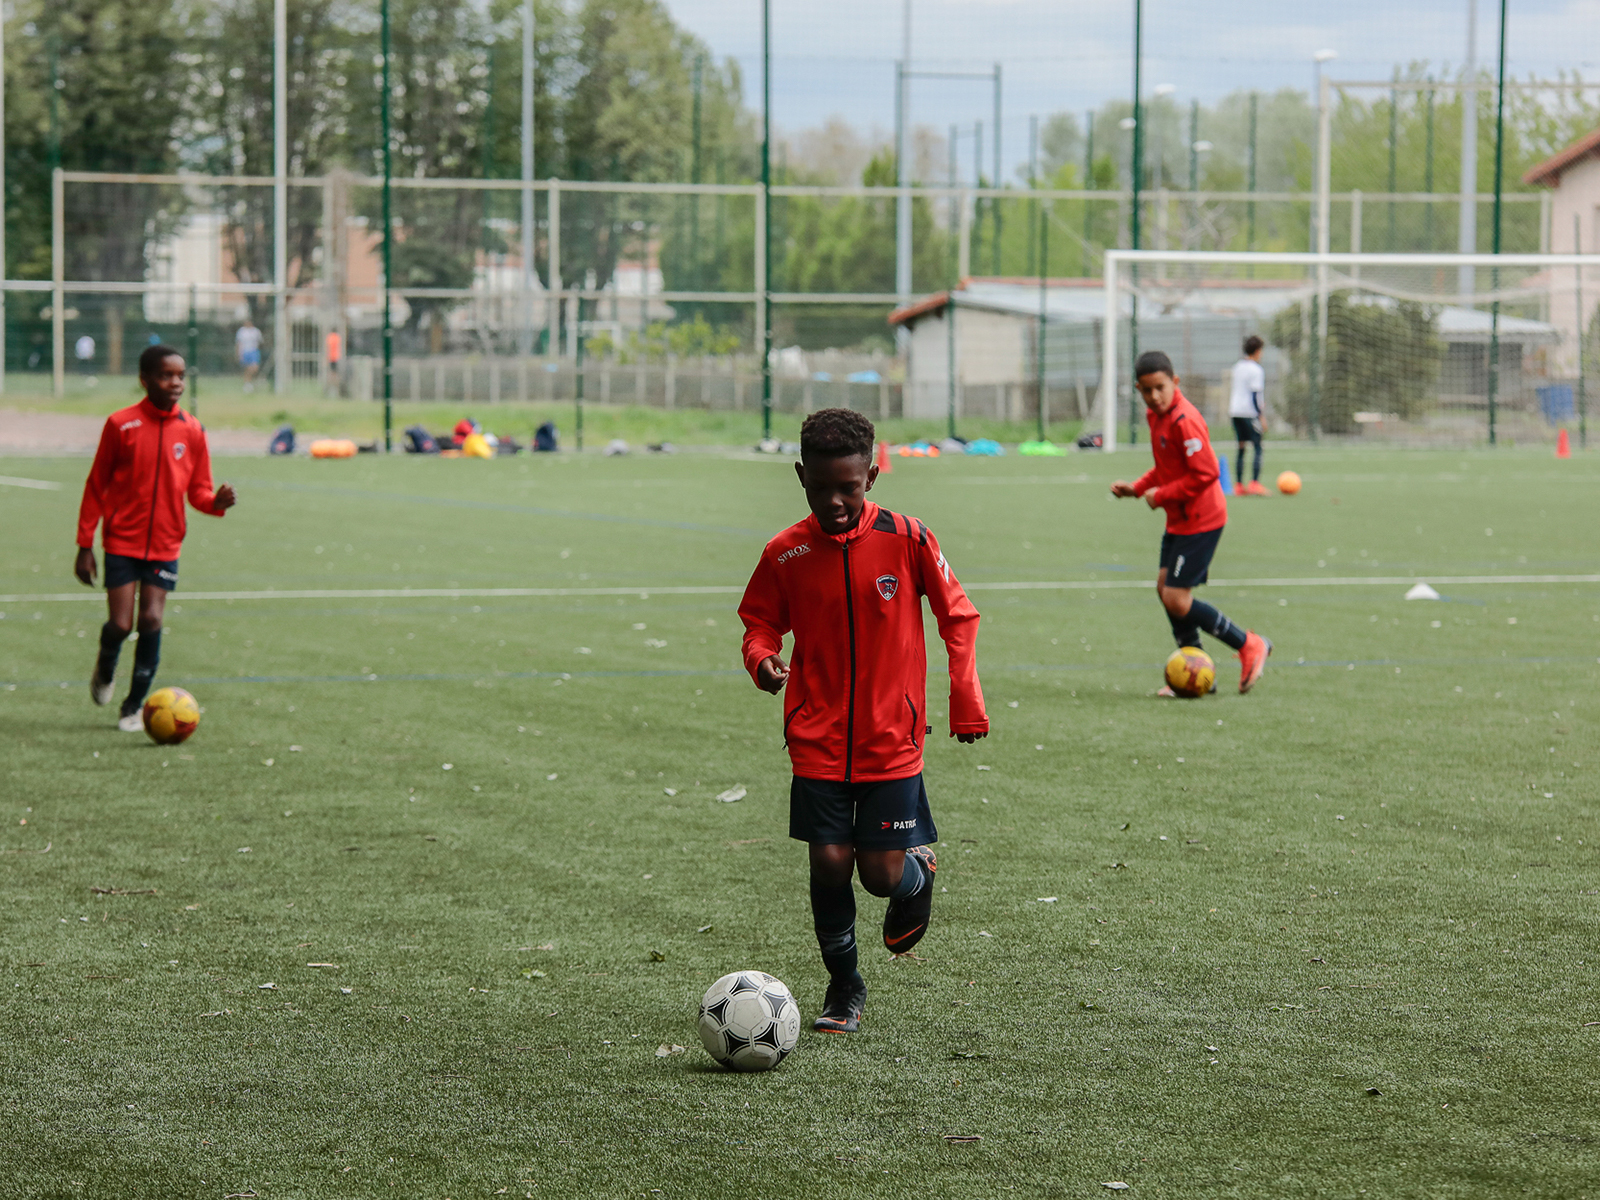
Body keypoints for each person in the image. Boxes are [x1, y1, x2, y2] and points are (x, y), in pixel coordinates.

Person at [738, 408, 989, 1035]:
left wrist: (966, 697)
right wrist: (762, 659)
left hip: (890, 739)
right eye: (820, 488)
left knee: (879, 876)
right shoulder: (785, 551)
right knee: (828, 859)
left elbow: (958, 616)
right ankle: (844, 985)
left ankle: (916, 871)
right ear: (800, 476)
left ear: (871, 476)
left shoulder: (908, 539)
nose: (835, 502)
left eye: (847, 487)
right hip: (817, 738)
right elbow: (760, 622)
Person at [76, 344, 237, 731]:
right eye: (167, 375)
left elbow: (197, 491)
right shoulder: (121, 425)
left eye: (181, 375)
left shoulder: (193, 430)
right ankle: (105, 665)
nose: (176, 382)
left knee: (150, 619)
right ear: (144, 379)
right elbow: (96, 485)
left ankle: (133, 706)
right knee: (120, 622)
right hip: (121, 541)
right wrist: (85, 544)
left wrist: (215, 502)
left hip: (165, 543)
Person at [1110, 349, 1271, 694]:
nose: (1155, 397)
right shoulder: (1157, 417)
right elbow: (1168, 467)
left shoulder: (1185, 419)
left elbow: (1206, 473)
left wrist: (1161, 496)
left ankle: (1248, 644)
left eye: (1161, 388)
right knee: (1164, 589)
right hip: (1180, 519)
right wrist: (1138, 489)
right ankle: (1197, 671)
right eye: (1147, 390)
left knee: (1177, 599)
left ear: (1175, 382)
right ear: (1139, 389)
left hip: (1203, 519)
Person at [1228, 335, 1268, 496]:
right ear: (1257, 351)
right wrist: (1261, 416)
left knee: (1241, 447)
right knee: (1258, 446)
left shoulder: (1237, 367)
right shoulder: (1256, 370)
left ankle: (1238, 486)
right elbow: (1254, 395)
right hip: (1249, 413)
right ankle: (1254, 484)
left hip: (1235, 412)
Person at [236, 317, 263, 393]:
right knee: (247, 368)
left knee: (254, 368)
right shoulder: (241, 331)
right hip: (245, 351)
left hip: (253, 351)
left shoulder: (256, 331)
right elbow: (238, 343)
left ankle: (250, 382)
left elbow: (260, 342)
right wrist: (238, 353)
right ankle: (247, 384)